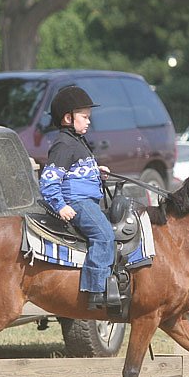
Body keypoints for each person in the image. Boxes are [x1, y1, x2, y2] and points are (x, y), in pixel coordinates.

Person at [39, 86, 115, 310]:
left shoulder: (78, 141)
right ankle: (96, 289)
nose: (88, 121)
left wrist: (96, 170)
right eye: (84, 117)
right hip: (76, 202)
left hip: (87, 200)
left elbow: (74, 170)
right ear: (67, 118)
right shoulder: (64, 144)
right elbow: (49, 180)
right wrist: (60, 206)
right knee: (104, 235)